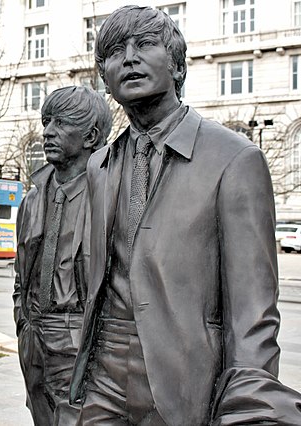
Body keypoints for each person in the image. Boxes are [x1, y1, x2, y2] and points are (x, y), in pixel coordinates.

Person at [69, 6, 301, 425]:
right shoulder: (99, 165)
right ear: (104, 77)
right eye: (115, 51)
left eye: (145, 45)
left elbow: (253, 314)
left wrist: (250, 407)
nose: (129, 58)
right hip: (103, 378)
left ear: (177, 66)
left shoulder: (234, 159)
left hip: (187, 383)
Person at [13, 86, 111, 426]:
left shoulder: (110, 197)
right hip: (34, 337)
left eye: (61, 123)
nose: (47, 132)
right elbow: (21, 272)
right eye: (46, 122)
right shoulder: (32, 199)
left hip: (81, 340)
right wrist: (23, 320)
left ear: (91, 136)